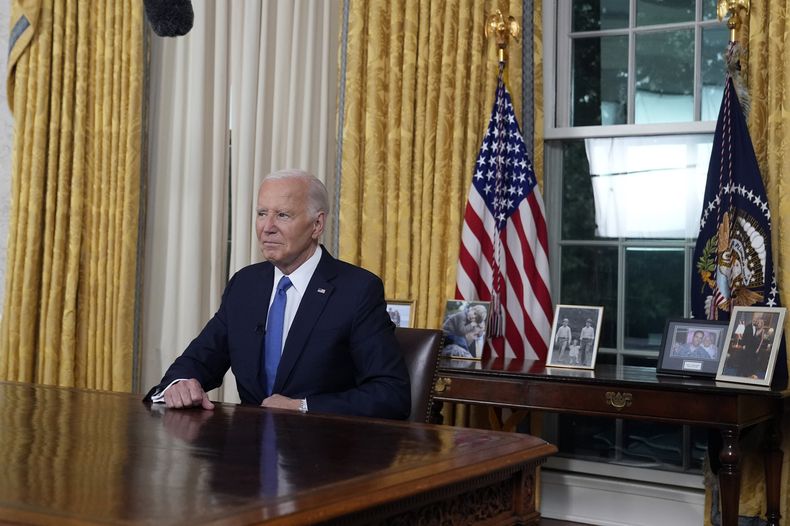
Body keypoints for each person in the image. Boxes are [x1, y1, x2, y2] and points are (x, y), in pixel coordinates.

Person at [144, 169, 411, 419]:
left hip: (323, 454)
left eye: (283, 215)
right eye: (262, 213)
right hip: (246, 456)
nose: (267, 227)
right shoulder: (245, 284)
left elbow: (391, 394)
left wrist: (304, 407)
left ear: (317, 225)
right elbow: (200, 358)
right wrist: (179, 384)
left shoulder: (357, 290)